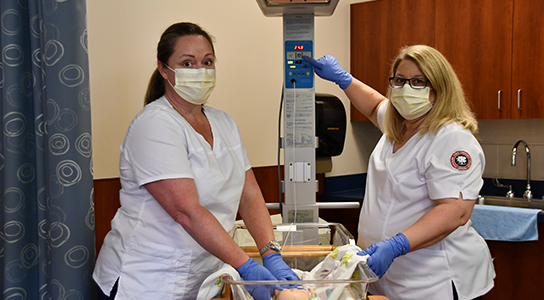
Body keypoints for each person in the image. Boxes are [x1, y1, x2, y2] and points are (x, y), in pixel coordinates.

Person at [93, 22, 299, 300]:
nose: (200, 71)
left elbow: (249, 195)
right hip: (147, 281)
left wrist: (271, 253)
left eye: (207, 61)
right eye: (187, 63)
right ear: (164, 69)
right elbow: (186, 211)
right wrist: (247, 266)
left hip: (202, 279)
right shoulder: (154, 125)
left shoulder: (223, 122)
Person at [304, 45, 495, 300]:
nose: (406, 89)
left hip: (434, 280)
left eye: (418, 81)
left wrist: (396, 245)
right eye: (400, 80)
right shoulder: (399, 126)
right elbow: (374, 106)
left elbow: (455, 211)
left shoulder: (451, 138)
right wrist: (343, 79)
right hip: (390, 277)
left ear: (439, 88)